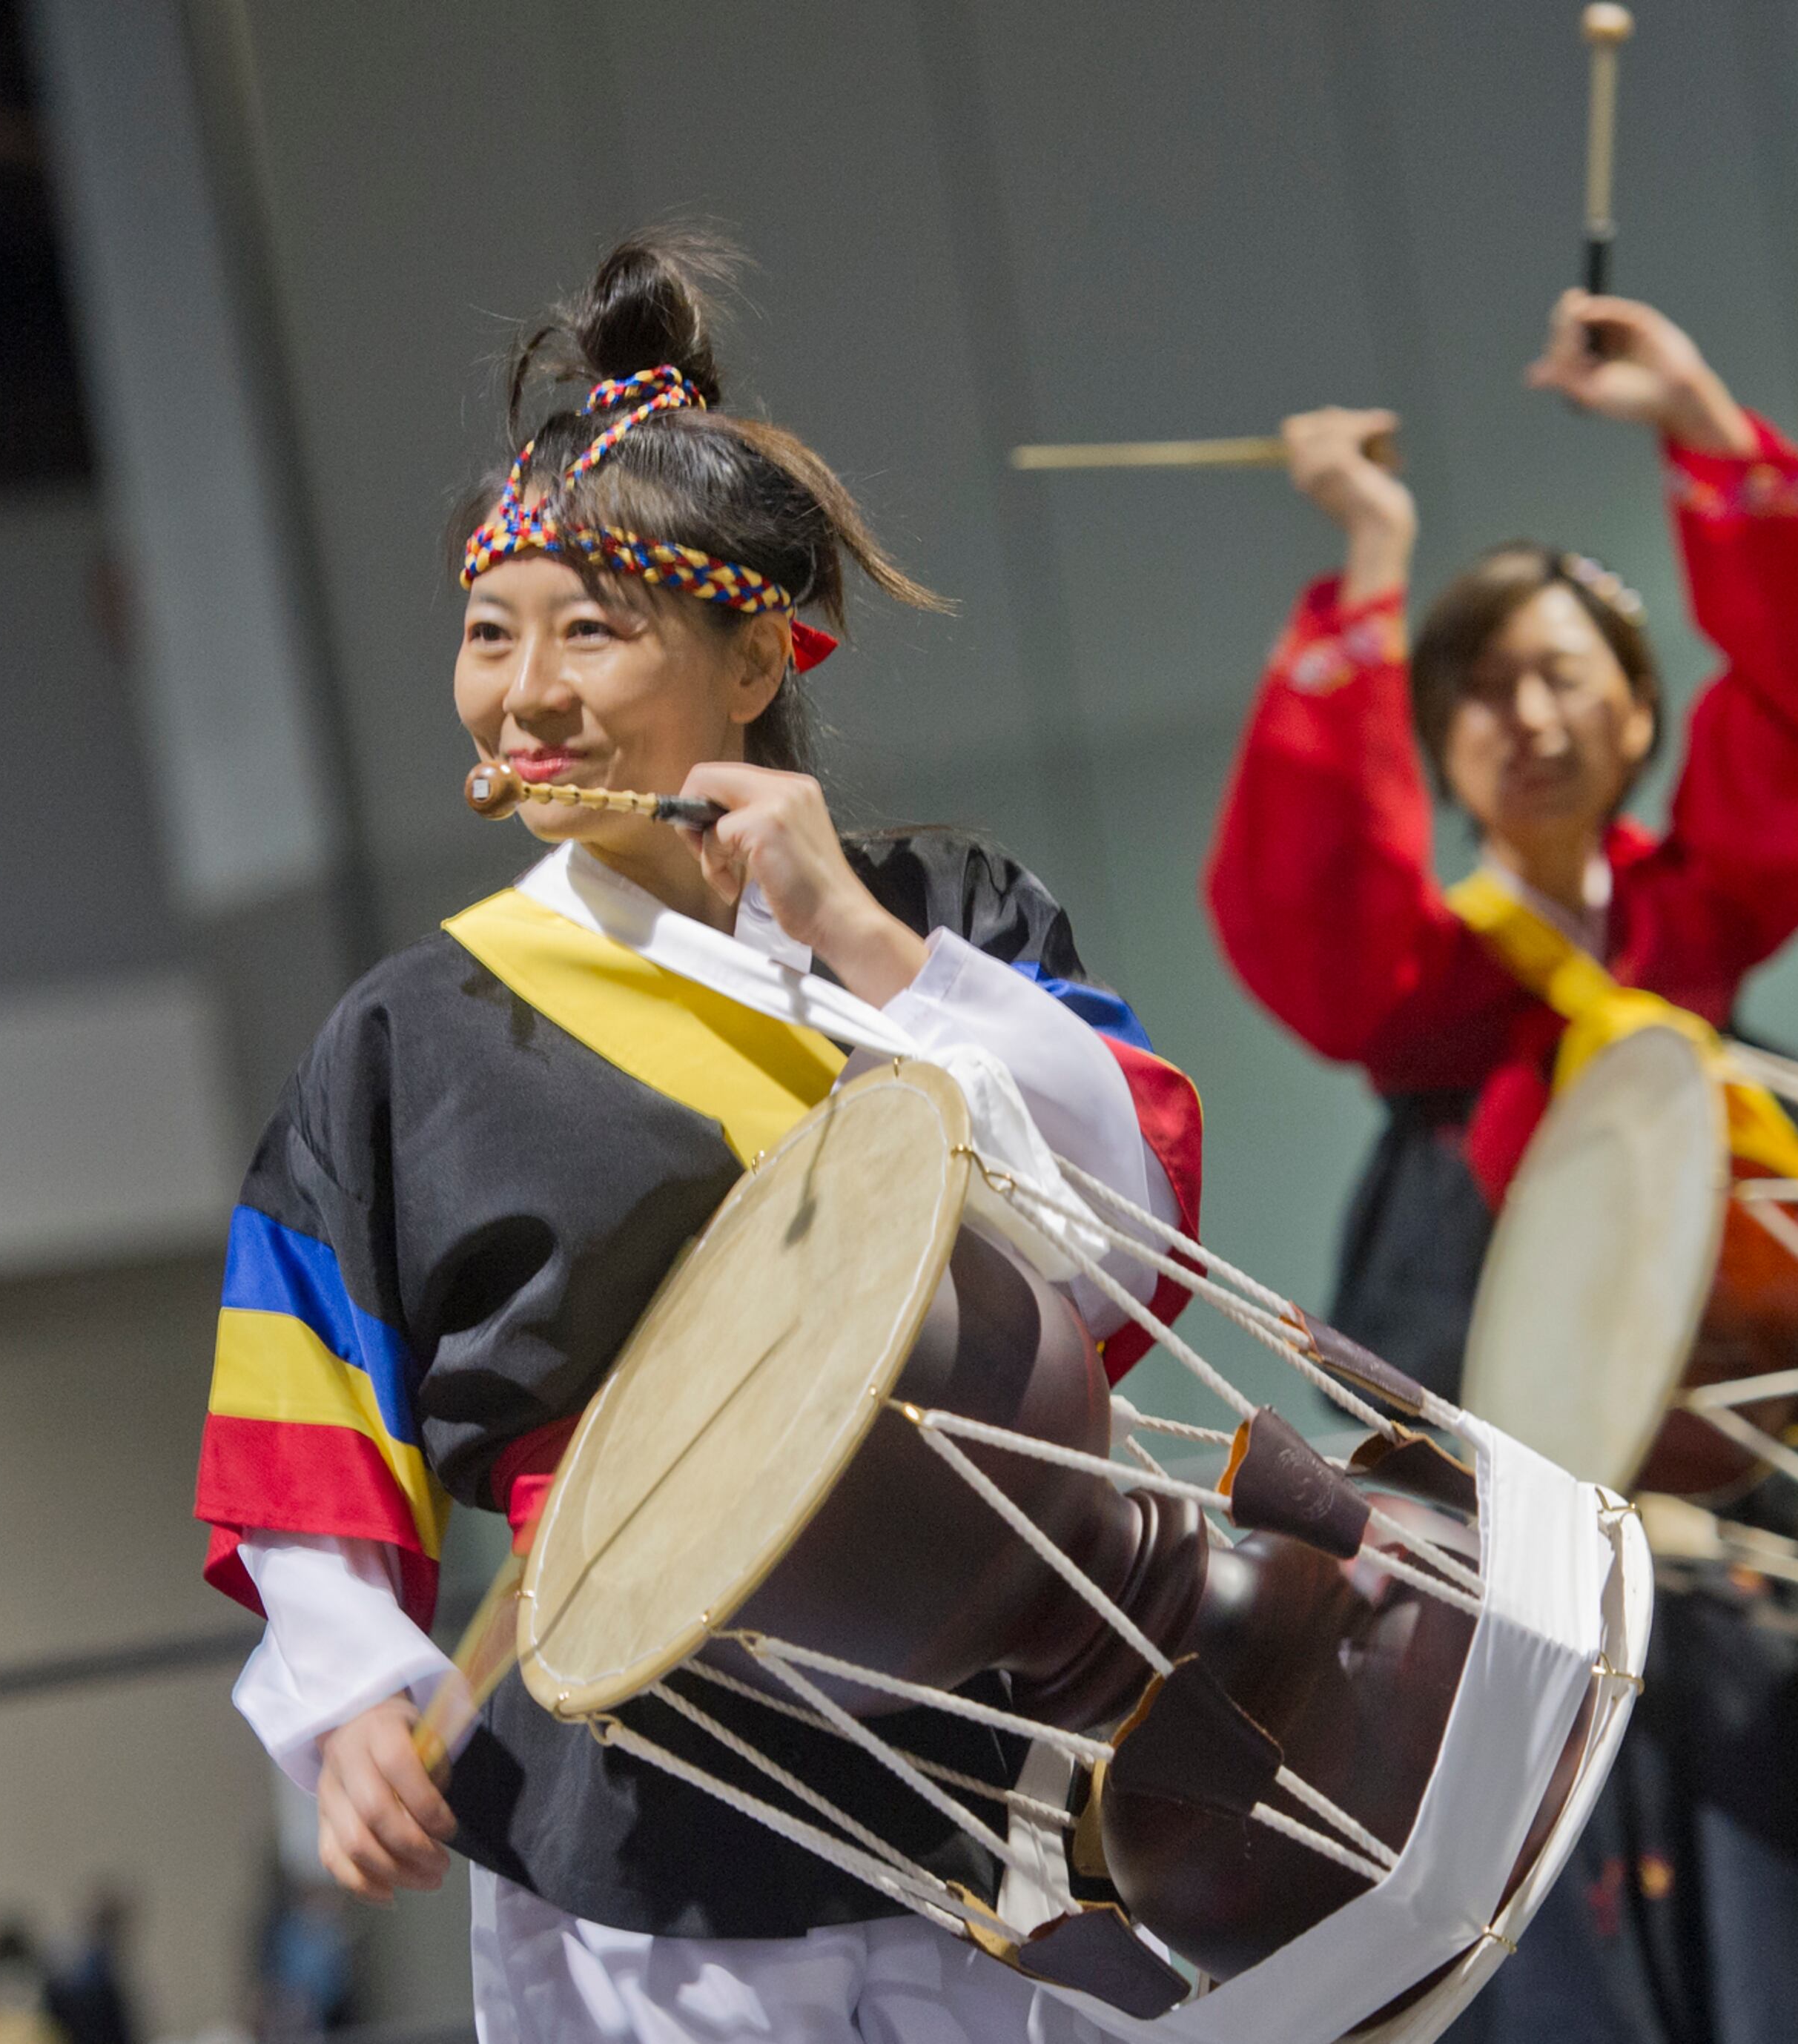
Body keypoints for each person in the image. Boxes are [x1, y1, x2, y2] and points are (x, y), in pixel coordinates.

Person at [194, 228, 1197, 2044]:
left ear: (757, 656)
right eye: (492, 635)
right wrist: (350, 1701)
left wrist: (869, 947)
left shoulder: (953, 924)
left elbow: (1123, 1246)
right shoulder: (413, 1034)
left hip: (1001, 1707)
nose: (529, 688)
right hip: (641, 1778)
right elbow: (306, 1428)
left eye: (595, 627)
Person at [1203, 289, 1798, 2042]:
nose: (1525, 712)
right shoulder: (1431, 992)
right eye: (1479, 690)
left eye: (1566, 675)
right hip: (1536, 1588)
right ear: (1443, 748)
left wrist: (1695, 414)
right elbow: (1309, 895)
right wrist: (1372, 558)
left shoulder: (1696, 926)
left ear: (1638, 719)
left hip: (1782, 1559)